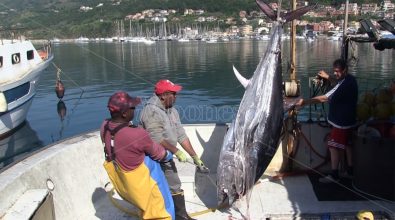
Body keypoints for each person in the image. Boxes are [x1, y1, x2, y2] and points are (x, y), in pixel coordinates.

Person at [100, 91, 175, 220]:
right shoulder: (137, 134)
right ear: (124, 113)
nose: (135, 110)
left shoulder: (105, 126)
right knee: (164, 210)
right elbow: (159, 154)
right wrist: (170, 154)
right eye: (132, 108)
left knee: (146, 208)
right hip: (142, 184)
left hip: (124, 185)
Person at [140, 79, 205, 220]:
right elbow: (155, 139)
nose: (176, 97)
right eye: (173, 94)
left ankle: (179, 215)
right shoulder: (150, 112)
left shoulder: (172, 111)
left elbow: (181, 135)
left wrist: (194, 156)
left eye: (176, 93)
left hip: (167, 154)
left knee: (173, 184)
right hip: (154, 157)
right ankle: (175, 216)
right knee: (167, 184)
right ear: (163, 95)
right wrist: (177, 151)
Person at [296, 59, 358, 183]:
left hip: (341, 123)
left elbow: (324, 98)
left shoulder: (345, 85)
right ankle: (349, 171)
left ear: (345, 70)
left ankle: (334, 175)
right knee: (347, 146)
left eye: (338, 72)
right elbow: (338, 83)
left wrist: (305, 102)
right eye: (334, 71)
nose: (335, 74)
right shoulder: (350, 80)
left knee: (333, 146)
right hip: (349, 120)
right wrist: (328, 77)